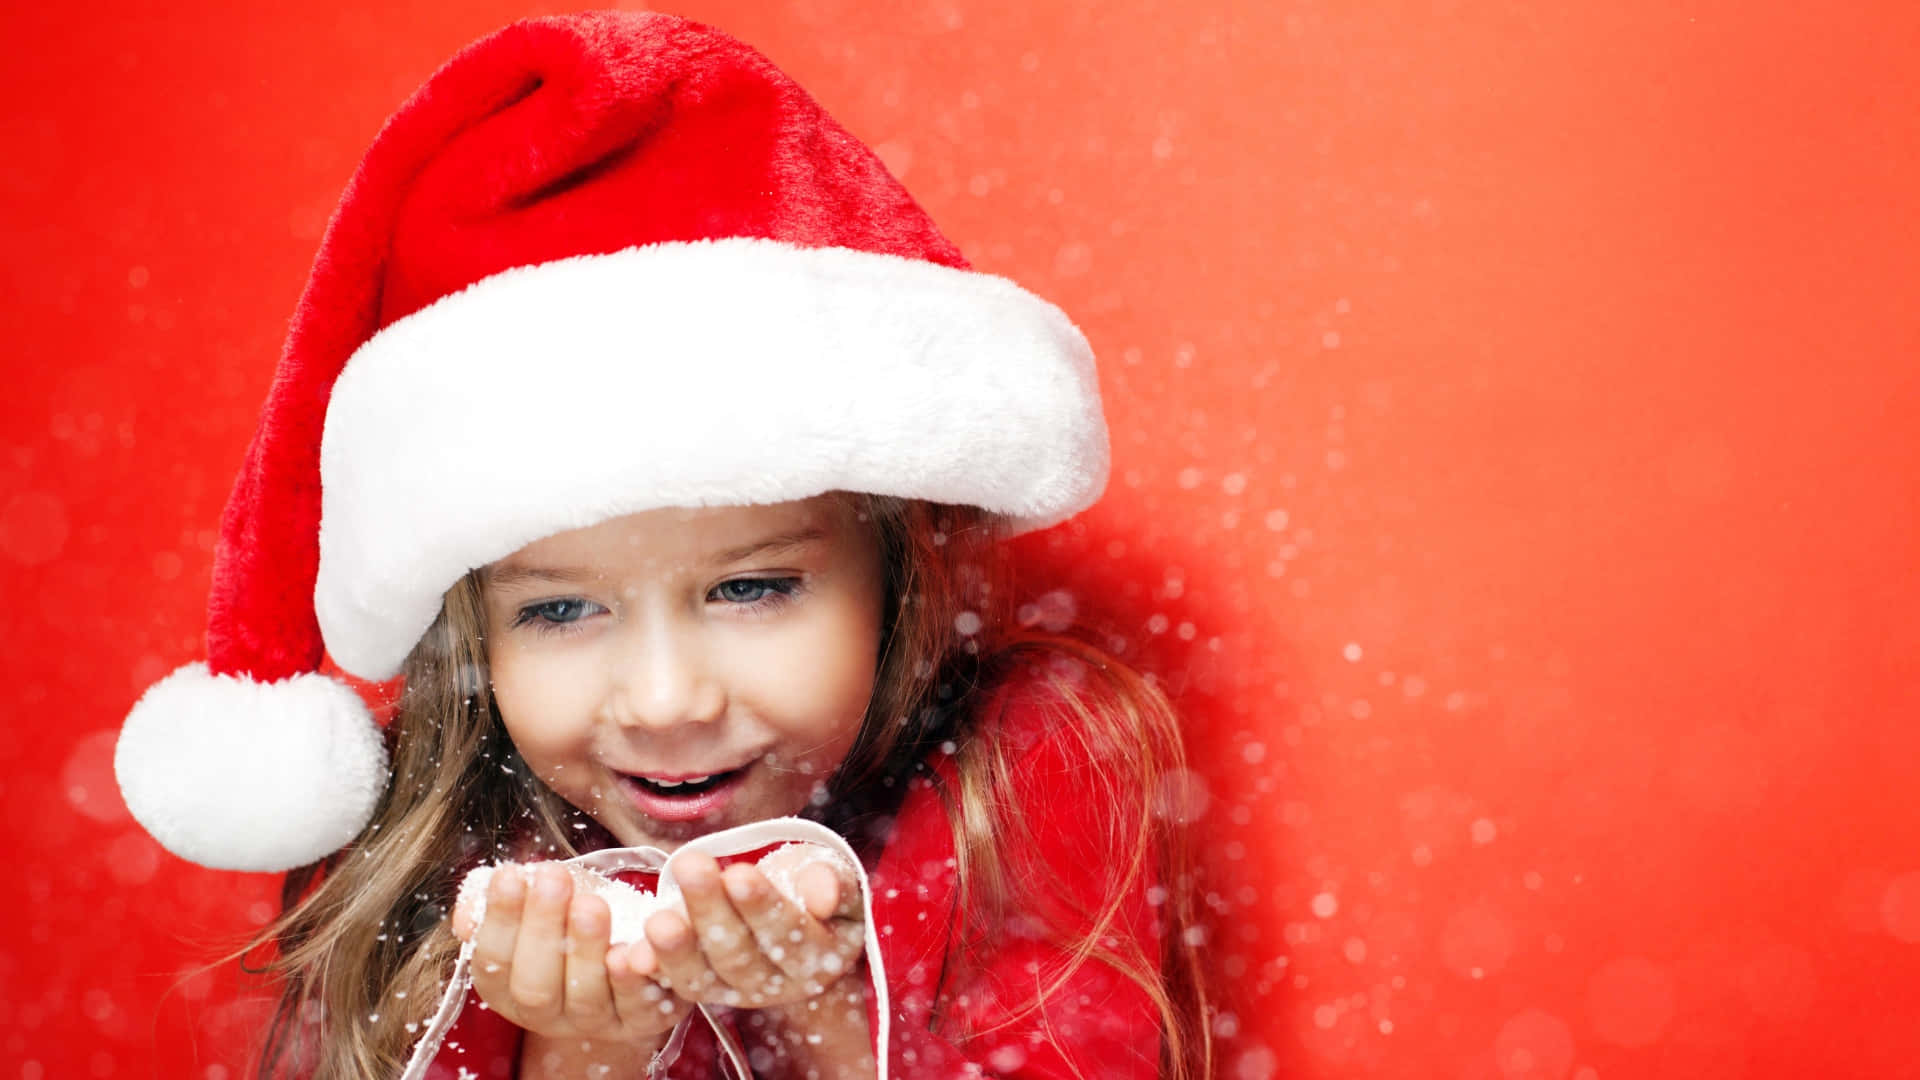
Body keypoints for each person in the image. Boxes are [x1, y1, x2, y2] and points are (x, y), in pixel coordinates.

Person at [113, 11, 1210, 1079]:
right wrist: (588, 1047)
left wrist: (815, 1012)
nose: (664, 699)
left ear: (894, 565)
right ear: (473, 630)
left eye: (750, 587)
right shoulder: (429, 841)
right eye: (558, 609)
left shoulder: (1026, 768)